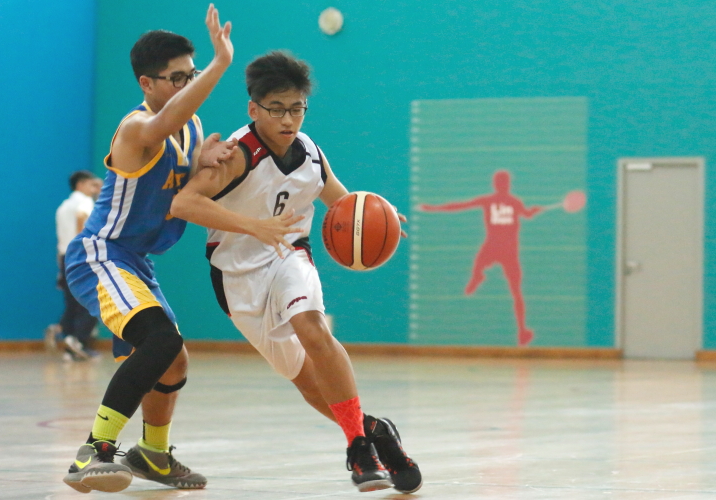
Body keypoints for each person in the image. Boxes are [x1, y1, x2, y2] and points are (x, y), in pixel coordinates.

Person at [61, 6, 296, 493]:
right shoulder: (135, 127)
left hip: (137, 261)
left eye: (192, 75)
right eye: (178, 78)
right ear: (147, 84)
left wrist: (200, 165)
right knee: (161, 341)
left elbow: (175, 200)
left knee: (175, 360)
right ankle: (96, 450)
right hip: (101, 254)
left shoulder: (188, 131)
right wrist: (220, 63)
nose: (187, 84)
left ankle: (153, 454)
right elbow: (169, 117)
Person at [170, 51, 422, 494]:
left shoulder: (310, 153)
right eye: (277, 109)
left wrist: (376, 214)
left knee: (312, 327)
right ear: (254, 109)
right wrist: (254, 226)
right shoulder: (237, 155)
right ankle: (376, 430)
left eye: (297, 108)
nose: (289, 120)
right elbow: (184, 203)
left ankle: (358, 448)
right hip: (237, 279)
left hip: (290, 256)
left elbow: (343, 205)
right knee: (309, 387)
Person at [419, 170, 542, 346]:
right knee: (516, 293)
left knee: (478, 265)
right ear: (507, 184)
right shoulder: (515, 202)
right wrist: (533, 211)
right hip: (509, 252)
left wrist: (434, 208)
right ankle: (522, 330)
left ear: (496, 184)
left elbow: (460, 205)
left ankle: (478, 276)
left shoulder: (488, 200)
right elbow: (528, 215)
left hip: (492, 247)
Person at [47, 170, 102, 361]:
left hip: (65, 257)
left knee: (72, 302)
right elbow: (82, 218)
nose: (94, 189)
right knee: (93, 300)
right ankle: (79, 341)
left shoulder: (63, 206)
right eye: (91, 185)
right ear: (81, 185)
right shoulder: (84, 202)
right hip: (81, 256)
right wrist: (85, 246)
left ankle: (67, 338)